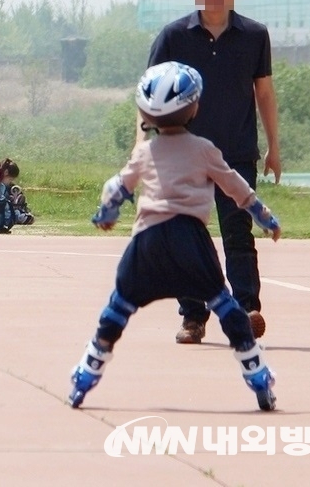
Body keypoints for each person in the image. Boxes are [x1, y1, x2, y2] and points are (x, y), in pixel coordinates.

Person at [68, 62, 281, 411]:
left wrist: (105, 214)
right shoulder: (204, 149)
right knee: (226, 307)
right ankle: (257, 374)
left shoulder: (144, 152)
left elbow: (115, 188)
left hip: (147, 244)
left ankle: (86, 374)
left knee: (117, 308)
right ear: (194, 108)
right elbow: (235, 187)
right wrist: (265, 217)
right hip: (190, 241)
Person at [146, 0, 281, 344]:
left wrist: (274, 146)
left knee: (238, 235)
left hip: (237, 154)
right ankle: (193, 316)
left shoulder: (254, 36)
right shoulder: (174, 37)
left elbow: (265, 94)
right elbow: (150, 94)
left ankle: (246, 310)